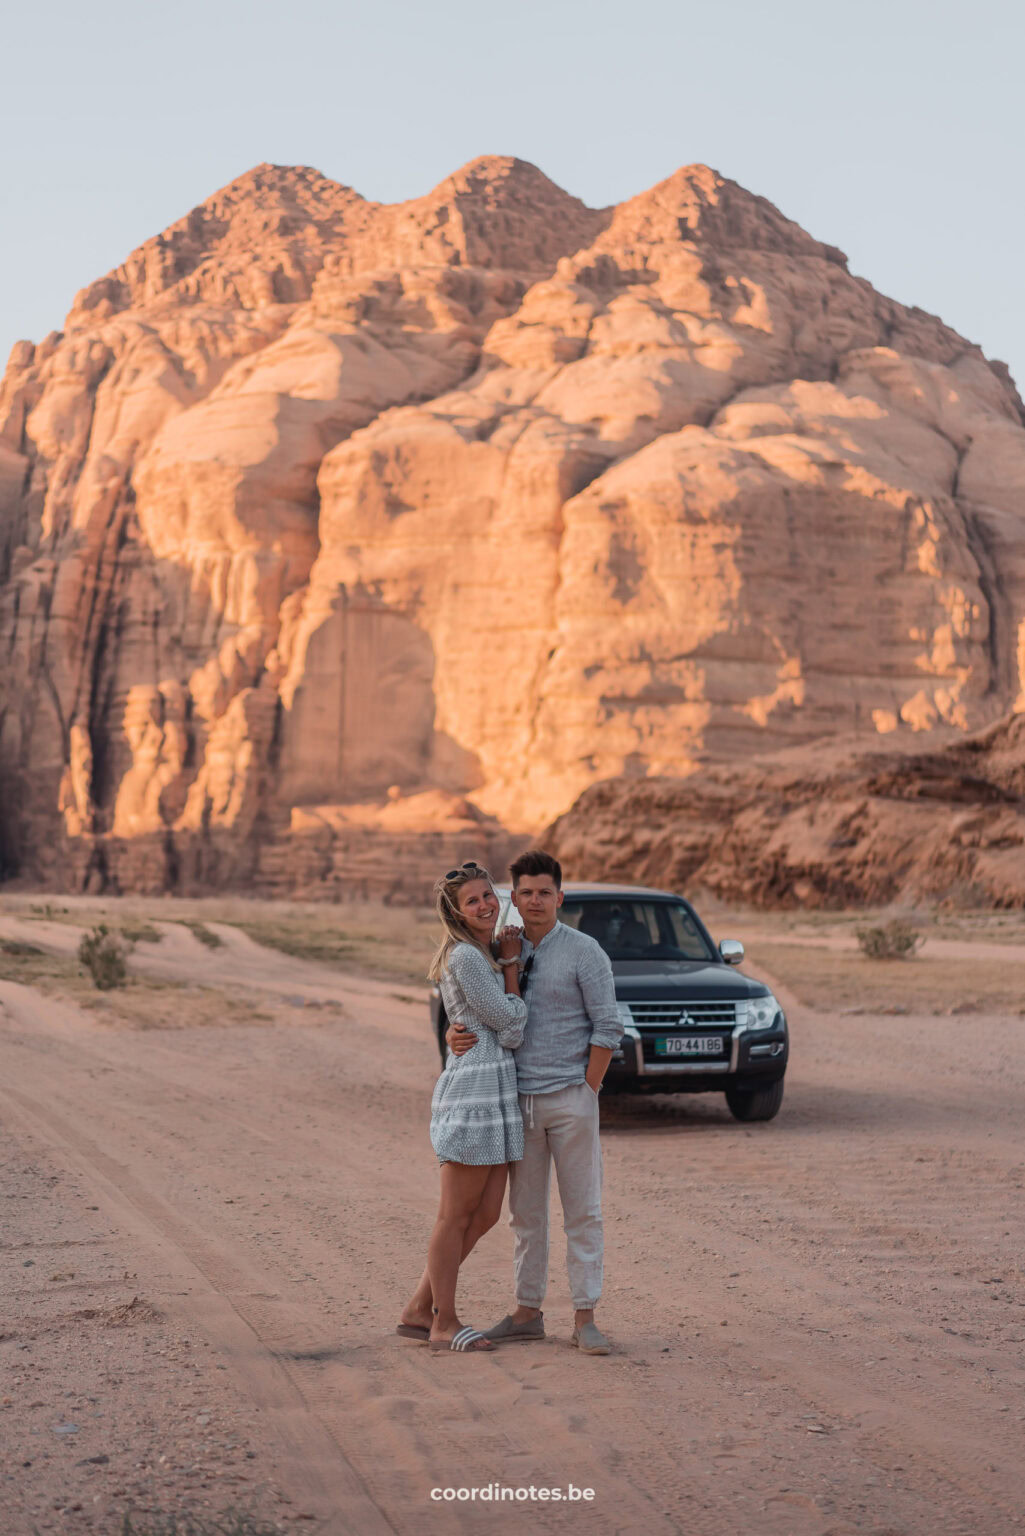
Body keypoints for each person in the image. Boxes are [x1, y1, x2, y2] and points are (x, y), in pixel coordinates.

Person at [447, 849, 621, 1355]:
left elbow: (608, 1026)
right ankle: (527, 1312)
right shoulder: (499, 951)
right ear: (513, 900)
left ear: (559, 897)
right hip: (516, 1102)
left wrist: (587, 1089)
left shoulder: (585, 951)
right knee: (525, 1215)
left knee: (582, 1211)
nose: (536, 900)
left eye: (545, 892)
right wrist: (454, 1035)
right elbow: (471, 1008)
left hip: (571, 1098)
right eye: (526, 892)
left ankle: (585, 1316)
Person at [397, 860, 526, 1353]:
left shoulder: (482, 952)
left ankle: (416, 1309)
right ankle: (443, 1321)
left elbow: (497, 1022)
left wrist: (505, 961)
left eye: (488, 895)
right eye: (471, 901)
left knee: (487, 1212)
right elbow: (511, 1027)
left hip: (493, 1092)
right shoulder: (471, 959)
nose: (485, 905)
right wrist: (512, 968)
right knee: (454, 1216)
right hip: (475, 1094)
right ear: (454, 911)